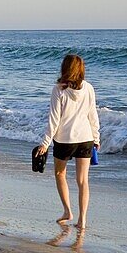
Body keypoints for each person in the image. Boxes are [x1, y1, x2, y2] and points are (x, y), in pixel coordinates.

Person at [35, 54, 100, 230]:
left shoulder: (59, 90)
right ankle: (83, 219)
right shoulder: (89, 88)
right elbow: (93, 115)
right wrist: (96, 137)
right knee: (83, 180)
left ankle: (67, 211)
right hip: (86, 138)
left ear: (64, 68)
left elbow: (54, 119)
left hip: (65, 139)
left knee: (60, 174)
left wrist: (45, 142)